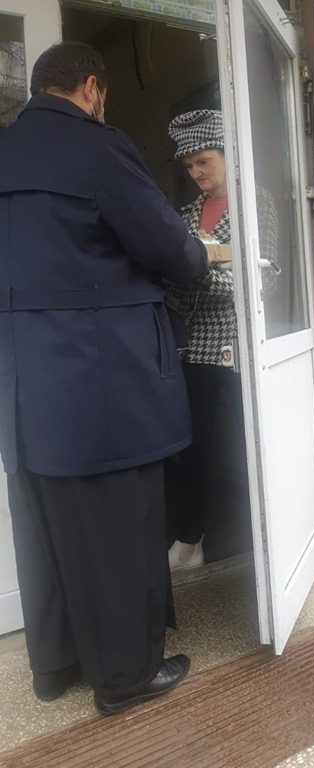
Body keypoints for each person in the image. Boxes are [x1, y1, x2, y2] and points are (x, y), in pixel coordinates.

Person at [0, 42, 209, 716]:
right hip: (101, 376)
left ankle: (56, 666)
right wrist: (199, 258)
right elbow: (168, 247)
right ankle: (125, 677)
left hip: (23, 383)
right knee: (120, 522)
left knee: (45, 522)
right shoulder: (98, 147)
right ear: (91, 87)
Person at [167, 109, 278, 571]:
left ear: (228, 154)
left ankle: (277, 540)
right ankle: (190, 542)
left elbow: (265, 278)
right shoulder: (185, 214)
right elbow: (177, 278)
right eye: (189, 165)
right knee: (194, 447)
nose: (196, 172)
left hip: (237, 346)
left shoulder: (256, 203)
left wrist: (204, 273)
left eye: (203, 161)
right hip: (194, 347)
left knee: (255, 443)